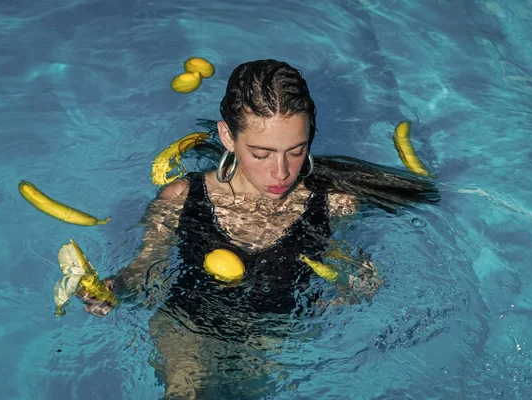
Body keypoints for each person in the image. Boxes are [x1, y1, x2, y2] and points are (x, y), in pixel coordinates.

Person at [81, 59, 439, 399]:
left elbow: (342, 264)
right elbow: (145, 266)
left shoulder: (334, 205)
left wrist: (356, 286)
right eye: (261, 154)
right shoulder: (181, 198)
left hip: (269, 338)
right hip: (185, 326)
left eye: (296, 151)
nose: (281, 172)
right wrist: (114, 288)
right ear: (226, 136)